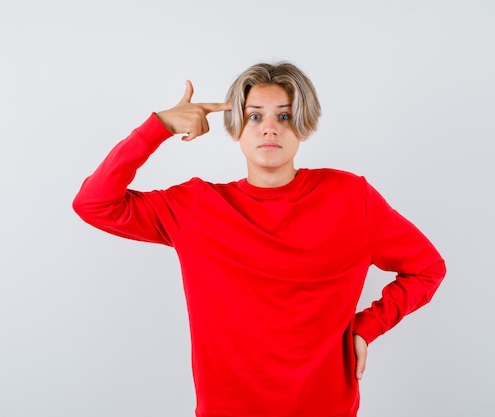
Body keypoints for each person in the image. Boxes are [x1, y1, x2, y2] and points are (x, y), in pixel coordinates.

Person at [73, 62, 446, 417]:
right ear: (236, 127)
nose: (270, 128)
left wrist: (366, 329)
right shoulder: (196, 207)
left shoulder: (350, 198)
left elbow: (426, 268)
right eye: (255, 116)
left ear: (303, 125)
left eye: (284, 116)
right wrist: (159, 127)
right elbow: (94, 204)